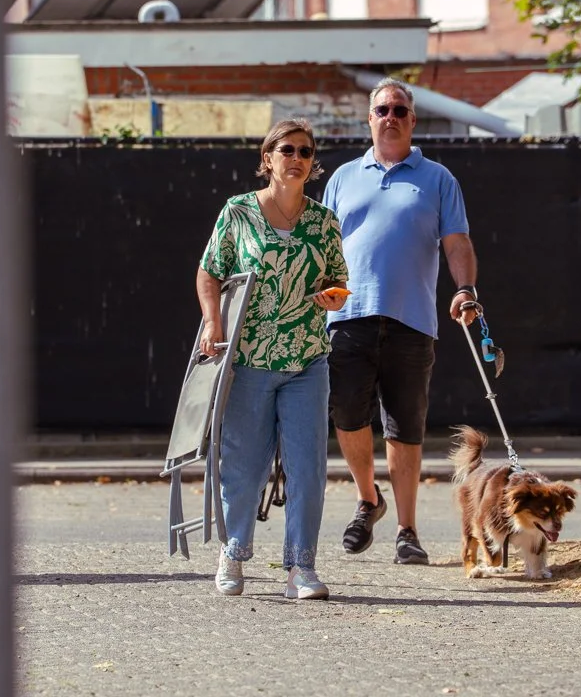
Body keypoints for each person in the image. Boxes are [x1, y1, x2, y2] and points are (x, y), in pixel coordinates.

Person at [322, 79, 479, 564]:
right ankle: (368, 499)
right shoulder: (343, 176)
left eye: (400, 110)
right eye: (382, 109)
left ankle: (408, 531)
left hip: (411, 320)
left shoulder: (438, 179)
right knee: (348, 417)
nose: (390, 117)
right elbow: (323, 247)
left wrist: (466, 290)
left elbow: (456, 243)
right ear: (369, 119)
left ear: (413, 120)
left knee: (404, 428)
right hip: (347, 315)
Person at [197, 119, 351, 599]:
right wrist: (212, 321)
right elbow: (209, 272)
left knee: (307, 467)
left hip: (307, 358)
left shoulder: (324, 221)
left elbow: (340, 283)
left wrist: (334, 298)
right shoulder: (238, 212)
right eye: (287, 149)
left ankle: (300, 568)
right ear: (268, 158)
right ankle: (234, 553)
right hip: (248, 358)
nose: (297, 158)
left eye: (305, 151)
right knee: (242, 464)